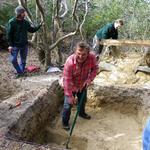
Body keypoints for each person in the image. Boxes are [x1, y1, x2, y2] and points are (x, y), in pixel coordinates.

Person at [61, 41, 98, 130]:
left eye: (84, 54)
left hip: (83, 84)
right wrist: (70, 96)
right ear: (75, 52)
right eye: (78, 54)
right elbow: (66, 81)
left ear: (88, 53)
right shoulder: (69, 62)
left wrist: (89, 80)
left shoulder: (92, 57)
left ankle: (81, 113)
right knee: (67, 105)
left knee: (83, 100)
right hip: (70, 85)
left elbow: (95, 69)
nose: (81, 57)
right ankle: (65, 123)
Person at [6, 6, 43, 78]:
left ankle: (20, 73)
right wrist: (10, 45)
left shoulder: (25, 22)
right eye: (23, 12)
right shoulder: (12, 22)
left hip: (24, 45)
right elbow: (9, 34)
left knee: (23, 61)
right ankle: (20, 72)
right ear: (19, 13)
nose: (25, 14)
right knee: (13, 60)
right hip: (15, 45)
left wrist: (39, 25)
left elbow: (31, 30)